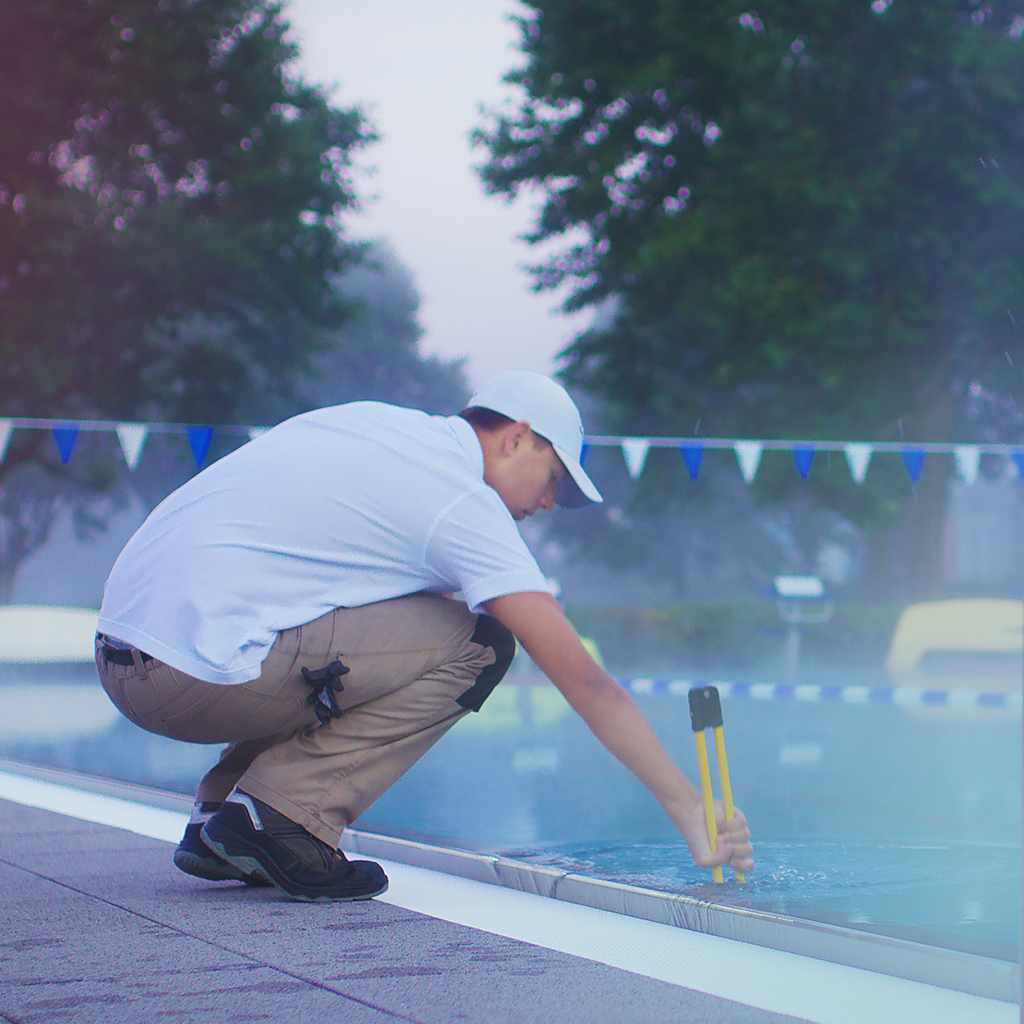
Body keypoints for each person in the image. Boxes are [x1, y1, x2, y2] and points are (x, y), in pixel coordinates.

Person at [96, 370, 753, 902]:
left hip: (126, 656)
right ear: (518, 437)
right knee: (486, 642)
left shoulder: (377, 425)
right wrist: (690, 809)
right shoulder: (459, 499)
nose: (548, 504)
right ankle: (283, 815)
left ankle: (219, 820)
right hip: (188, 676)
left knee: (413, 616)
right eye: (554, 479)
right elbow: (583, 679)